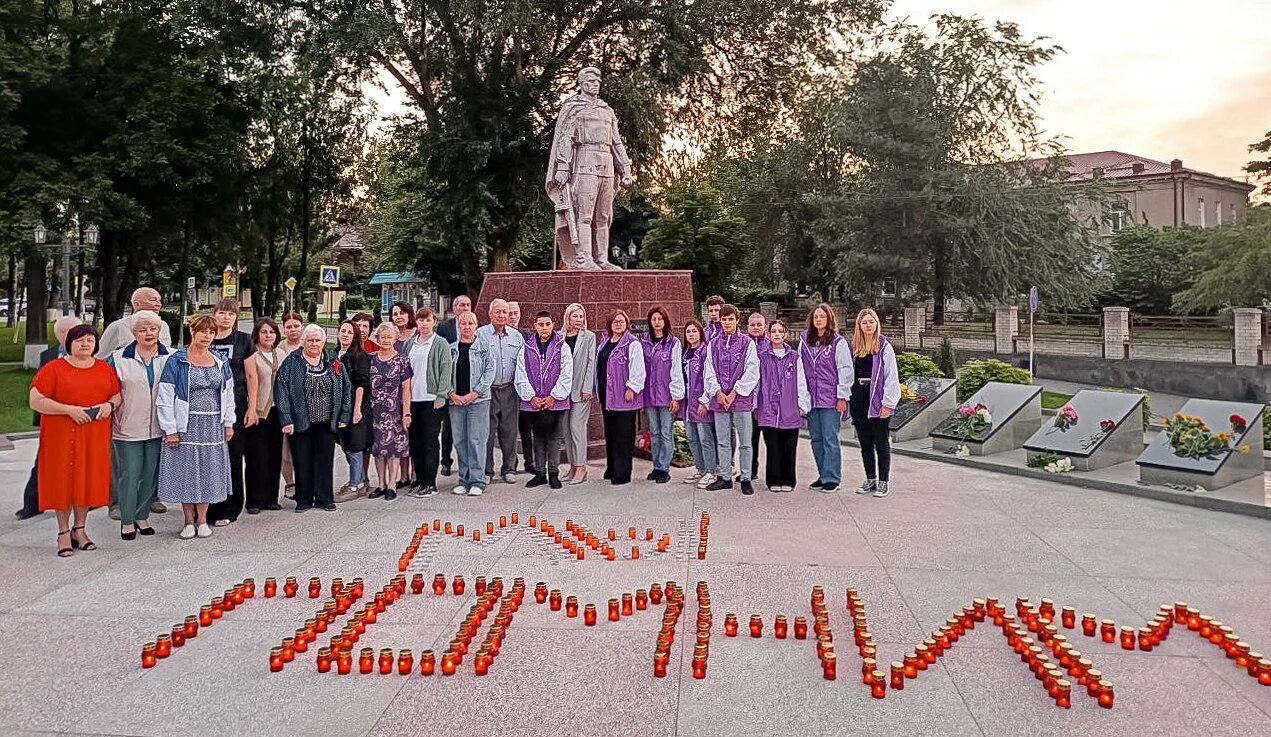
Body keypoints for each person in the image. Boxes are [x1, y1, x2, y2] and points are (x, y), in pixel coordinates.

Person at [29, 324, 120, 556]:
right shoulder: (54, 368)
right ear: (69, 343)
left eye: (90, 340)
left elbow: (116, 395)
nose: (85, 344)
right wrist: (67, 410)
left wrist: (108, 405)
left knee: (86, 480)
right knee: (63, 481)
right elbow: (36, 400)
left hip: (93, 434)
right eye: (80, 340)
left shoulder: (104, 368)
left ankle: (80, 529)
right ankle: (62, 532)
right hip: (61, 435)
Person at [156, 314, 235, 540]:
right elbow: (165, 396)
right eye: (203, 331)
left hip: (212, 424)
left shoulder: (220, 360)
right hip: (186, 424)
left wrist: (228, 423)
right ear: (193, 331)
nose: (207, 336)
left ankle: (203, 519)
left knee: (208, 469)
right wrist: (170, 429)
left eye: (211, 332)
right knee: (187, 471)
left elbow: (228, 395)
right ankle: (188, 520)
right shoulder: (178, 360)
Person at [275, 324, 352, 512]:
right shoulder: (292, 363)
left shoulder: (333, 362)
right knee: (302, 460)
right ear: (303, 342)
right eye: (310, 340)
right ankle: (304, 500)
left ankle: (325, 498)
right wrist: (286, 419)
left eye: (318, 340)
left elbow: (346, 389)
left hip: (327, 422)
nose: (314, 344)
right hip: (301, 422)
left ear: (324, 342)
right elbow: (281, 390)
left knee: (325, 460)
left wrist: (344, 414)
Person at [107, 311, 169, 539]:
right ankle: (127, 520)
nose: (149, 333)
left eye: (153, 328)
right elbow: (108, 390)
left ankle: (142, 516)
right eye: (143, 329)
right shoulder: (118, 358)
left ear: (159, 330)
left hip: (158, 427)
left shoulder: (170, 356)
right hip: (128, 427)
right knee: (130, 474)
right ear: (134, 333)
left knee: (150, 474)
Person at [14, 315, 81, 521]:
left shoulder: (91, 356)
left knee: (82, 462)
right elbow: (39, 389)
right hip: (54, 418)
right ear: (61, 334)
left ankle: (86, 501)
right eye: (75, 332)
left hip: (81, 417)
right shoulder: (48, 355)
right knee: (43, 460)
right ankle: (33, 503)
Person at [700, 304, 759, 495]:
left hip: (740, 399)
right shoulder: (713, 344)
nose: (727, 322)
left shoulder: (747, 343)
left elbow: (752, 370)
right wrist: (718, 392)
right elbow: (708, 370)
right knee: (723, 440)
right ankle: (725, 477)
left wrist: (735, 392)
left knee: (745, 441)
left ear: (737, 320)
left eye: (730, 319)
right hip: (720, 400)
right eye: (724, 319)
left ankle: (746, 478)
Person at [205, 299, 253, 527]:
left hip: (236, 405)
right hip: (206, 408)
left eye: (231, 314)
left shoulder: (243, 340)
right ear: (214, 314)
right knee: (211, 457)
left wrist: (252, 407)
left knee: (233, 456)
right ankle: (208, 505)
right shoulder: (205, 337)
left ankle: (231, 506)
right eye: (221, 313)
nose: (225, 317)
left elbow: (252, 376)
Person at [515, 311, 573, 489]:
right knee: (538, 436)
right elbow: (521, 372)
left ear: (553, 324)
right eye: (540, 324)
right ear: (535, 326)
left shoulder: (562, 346)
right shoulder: (527, 346)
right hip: (533, 401)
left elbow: (566, 372)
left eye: (547, 324)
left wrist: (553, 396)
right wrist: (531, 396)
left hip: (555, 400)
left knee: (555, 437)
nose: (544, 328)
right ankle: (540, 473)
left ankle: (553, 473)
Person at [848, 308, 900, 498]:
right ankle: (870, 479)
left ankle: (883, 481)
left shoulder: (884, 347)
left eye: (871, 321)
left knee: (881, 441)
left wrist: (888, 403)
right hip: (859, 398)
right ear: (859, 326)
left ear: (877, 323)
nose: (868, 325)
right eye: (864, 322)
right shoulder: (855, 347)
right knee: (865, 442)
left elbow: (891, 376)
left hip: (877, 399)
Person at [800, 303, 851, 492]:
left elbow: (845, 370)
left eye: (822, 316)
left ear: (829, 319)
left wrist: (842, 396)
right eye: (816, 317)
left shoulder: (838, 342)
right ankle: (822, 475)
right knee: (816, 438)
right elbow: (800, 369)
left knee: (830, 438)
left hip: (830, 398)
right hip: (811, 398)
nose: (819, 320)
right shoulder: (805, 340)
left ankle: (832, 478)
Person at [756, 320, 809, 492]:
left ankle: (789, 480)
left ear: (785, 334)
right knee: (773, 446)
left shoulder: (794, 357)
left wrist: (802, 404)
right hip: (768, 408)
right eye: (774, 331)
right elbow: (757, 383)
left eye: (780, 331)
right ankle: (773, 479)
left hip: (789, 407)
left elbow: (801, 382)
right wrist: (756, 405)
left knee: (789, 446)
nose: (777, 334)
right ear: (769, 334)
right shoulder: (763, 357)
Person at [406, 308, 454, 497]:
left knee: (430, 441)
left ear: (434, 322)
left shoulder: (440, 343)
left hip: (431, 400)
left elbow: (445, 370)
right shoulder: (410, 344)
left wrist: (441, 395)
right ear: (416, 322)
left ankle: (430, 483)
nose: (424, 323)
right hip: (413, 400)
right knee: (415, 442)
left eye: (428, 320)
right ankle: (419, 480)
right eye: (420, 320)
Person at [476, 298, 525, 484]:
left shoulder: (516, 336)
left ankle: (509, 468)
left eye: (505, 312)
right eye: (498, 311)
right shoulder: (480, 334)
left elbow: (521, 365)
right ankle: (487, 471)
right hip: (488, 390)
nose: (502, 315)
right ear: (490, 314)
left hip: (510, 389)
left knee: (510, 431)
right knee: (487, 432)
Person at [447, 312, 496, 496]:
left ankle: (477, 481)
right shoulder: (451, 348)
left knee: (476, 440)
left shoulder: (485, 348)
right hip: (456, 401)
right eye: (463, 323)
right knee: (460, 441)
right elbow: (445, 374)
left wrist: (474, 394)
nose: (466, 327)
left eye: (470, 323)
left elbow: (490, 372)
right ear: (458, 325)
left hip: (478, 401)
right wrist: (452, 394)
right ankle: (464, 479)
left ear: (476, 325)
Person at [596, 310, 645, 485]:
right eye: (615, 321)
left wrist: (632, 387)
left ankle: (622, 473)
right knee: (611, 433)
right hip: (607, 396)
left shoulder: (632, 343)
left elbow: (638, 368)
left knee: (624, 434)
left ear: (626, 324)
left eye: (622, 321)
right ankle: (611, 468)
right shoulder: (604, 343)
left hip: (625, 396)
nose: (618, 324)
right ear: (610, 323)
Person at [243, 318, 286, 513]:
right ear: (257, 335)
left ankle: (271, 498)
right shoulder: (252, 355)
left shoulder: (281, 354)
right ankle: (254, 501)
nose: (268, 336)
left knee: (274, 455)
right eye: (264, 332)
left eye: (272, 332)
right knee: (256, 457)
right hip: (258, 412)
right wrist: (251, 409)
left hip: (277, 412)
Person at [369, 322, 413, 499]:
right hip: (375, 412)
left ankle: (392, 485)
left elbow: (406, 389)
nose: (386, 340)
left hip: (395, 412)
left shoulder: (402, 360)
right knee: (378, 449)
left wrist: (407, 413)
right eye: (382, 336)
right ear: (377, 338)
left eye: (389, 336)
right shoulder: (371, 359)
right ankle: (380, 483)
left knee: (394, 449)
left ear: (396, 338)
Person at [642, 306, 684, 484]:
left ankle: (665, 468)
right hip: (649, 396)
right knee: (655, 432)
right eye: (654, 319)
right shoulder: (644, 342)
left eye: (660, 318)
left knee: (666, 432)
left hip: (666, 395)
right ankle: (657, 466)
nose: (657, 322)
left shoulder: (673, 343)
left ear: (665, 320)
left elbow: (676, 370)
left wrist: (676, 396)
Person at [332, 321, 372, 502]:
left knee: (355, 445)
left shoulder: (359, 356)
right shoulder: (333, 354)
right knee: (346, 444)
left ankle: (355, 485)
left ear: (355, 336)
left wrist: (357, 410)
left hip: (356, 406)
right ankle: (361, 481)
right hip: (338, 408)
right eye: (343, 331)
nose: (346, 334)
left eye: (350, 332)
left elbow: (361, 384)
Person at [435, 295, 472, 476]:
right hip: (451, 387)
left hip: (469, 387)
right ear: (454, 307)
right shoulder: (444, 327)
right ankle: (446, 462)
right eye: (461, 305)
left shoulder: (475, 325)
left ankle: (469, 464)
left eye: (468, 304)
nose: (465, 307)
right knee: (448, 428)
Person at [560, 303, 596, 484]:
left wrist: (587, 388)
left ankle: (582, 468)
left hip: (581, 391)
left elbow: (591, 363)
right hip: (562, 392)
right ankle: (572, 467)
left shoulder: (589, 337)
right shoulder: (558, 336)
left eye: (582, 317)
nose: (579, 320)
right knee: (566, 430)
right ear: (568, 317)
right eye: (576, 316)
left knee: (576, 428)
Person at [680, 320, 717, 489]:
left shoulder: (705, 351)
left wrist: (705, 400)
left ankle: (711, 471)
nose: (691, 334)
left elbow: (709, 378)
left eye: (694, 331)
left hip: (701, 401)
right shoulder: (686, 353)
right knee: (692, 438)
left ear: (700, 333)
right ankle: (700, 468)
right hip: (688, 403)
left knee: (705, 439)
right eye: (688, 332)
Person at [96, 287, 172, 356]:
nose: (159, 304)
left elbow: (167, 356)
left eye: (159, 300)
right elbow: (100, 357)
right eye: (153, 300)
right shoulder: (118, 327)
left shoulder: (164, 326)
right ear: (136, 304)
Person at [508, 300, 536, 476]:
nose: (512, 317)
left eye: (515, 313)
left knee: (526, 428)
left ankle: (529, 461)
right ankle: (511, 463)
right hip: (506, 389)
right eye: (509, 313)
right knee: (509, 429)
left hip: (525, 388)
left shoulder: (527, 335)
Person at [277, 312, 304, 498]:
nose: (293, 329)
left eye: (296, 326)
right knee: (285, 450)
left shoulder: (309, 344)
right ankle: (290, 483)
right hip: (285, 403)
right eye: (289, 326)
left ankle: (305, 481)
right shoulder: (279, 348)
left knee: (304, 447)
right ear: (283, 328)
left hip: (305, 405)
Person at [746, 311, 769, 481]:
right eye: (752, 325)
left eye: (759, 325)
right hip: (748, 400)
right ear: (747, 327)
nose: (755, 327)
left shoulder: (771, 344)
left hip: (767, 401)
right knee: (749, 438)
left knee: (771, 440)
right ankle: (750, 470)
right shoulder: (744, 344)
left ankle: (773, 473)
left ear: (765, 327)